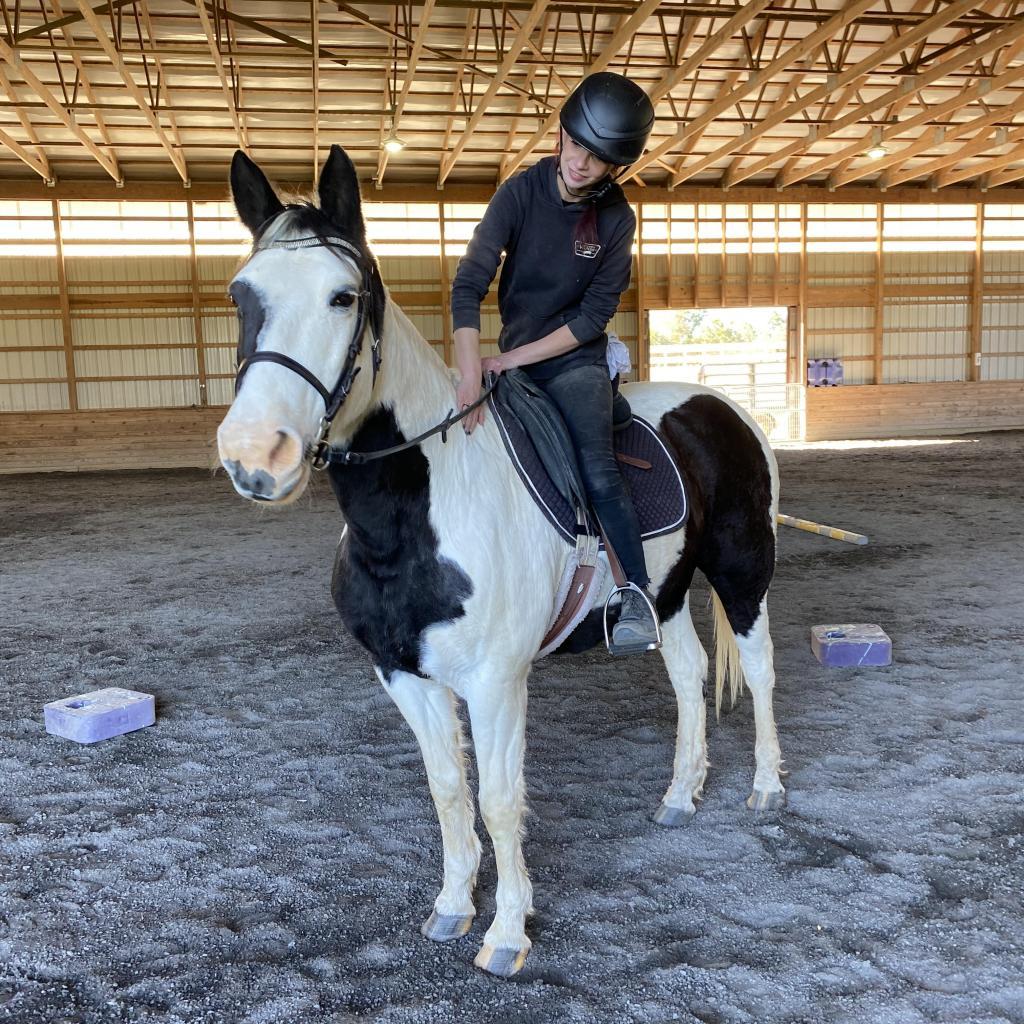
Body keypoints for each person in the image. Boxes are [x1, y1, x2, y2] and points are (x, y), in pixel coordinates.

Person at [450, 71, 660, 654]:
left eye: (597, 158)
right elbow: (468, 285)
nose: (580, 164)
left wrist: (509, 358)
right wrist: (472, 373)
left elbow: (593, 316)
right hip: (503, 358)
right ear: (561, 135)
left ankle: (635, 595)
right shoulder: (519, 193)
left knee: (597, 470)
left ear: (615, 167)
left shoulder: (616, 219)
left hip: (572, 362)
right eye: (576, 145)